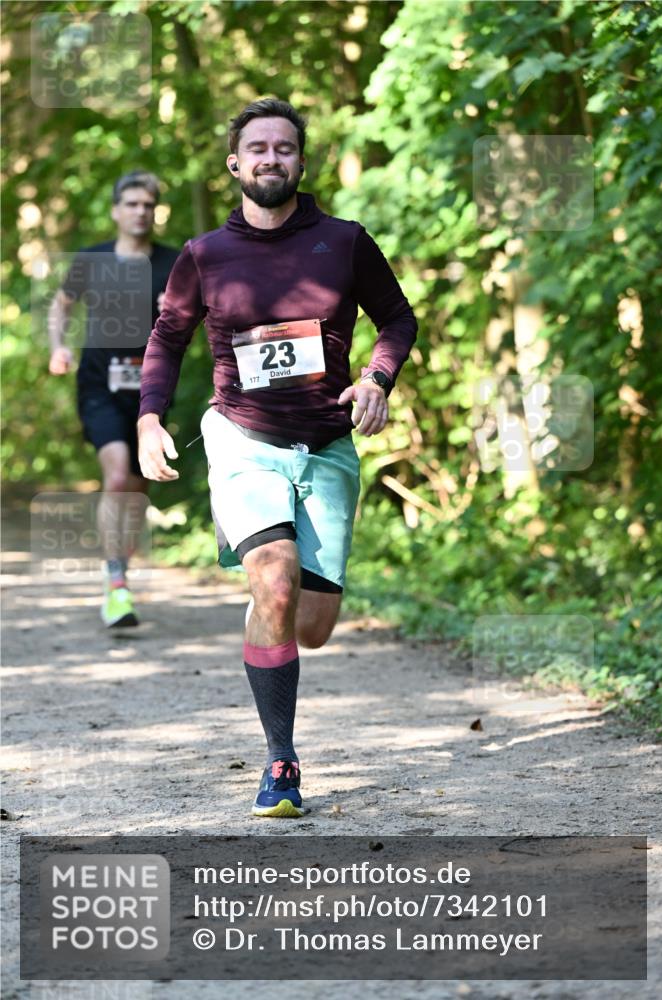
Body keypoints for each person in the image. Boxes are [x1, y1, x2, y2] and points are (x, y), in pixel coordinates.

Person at [138, 99, 417, 817]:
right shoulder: (203, 256)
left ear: (300, 160)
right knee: (276, 583)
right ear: (234, 163)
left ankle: (273, 608)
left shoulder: (344, 242)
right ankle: (281, 764)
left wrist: (376, 379)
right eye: (255, 148)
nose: (269, 158)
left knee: (313, 625)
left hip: (325, 444)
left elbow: (397, 318)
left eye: (283, 148)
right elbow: (167, 338)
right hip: (242, 437)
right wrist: (148, 420)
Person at [48, 171, 180, 628]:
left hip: (152, 386)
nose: (140, 211)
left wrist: (176, 314)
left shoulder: (173, 261)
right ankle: (115, 582)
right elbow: (62, 305)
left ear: (154, 210)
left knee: (138, 489)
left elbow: (197, 320)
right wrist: (57, 346)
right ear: (115, 210)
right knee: (119, 473)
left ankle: (119, 573)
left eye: (148, 204)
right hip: (99, 383)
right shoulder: (91, 259)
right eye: (132, 204)